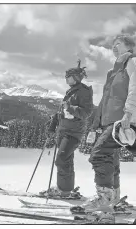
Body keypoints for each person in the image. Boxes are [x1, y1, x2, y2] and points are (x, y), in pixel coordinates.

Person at [82, 34, 136, 211]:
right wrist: (95, 126)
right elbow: (104, 101)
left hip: (124, 121)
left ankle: (104, 198)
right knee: (111, 159)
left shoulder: (135, 63)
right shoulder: (113, 72)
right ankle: (114, 197)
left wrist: (128, 114)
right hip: (108, 122)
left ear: (129, 46)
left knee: (99, 154)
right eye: (112, 45)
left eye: (118, 44)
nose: (114, 47)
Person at [41, 60, 94, 197]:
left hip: (73, 132)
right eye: (66, 77)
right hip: (64, 131)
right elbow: (62, 112)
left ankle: (63, 190)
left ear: (77, 77)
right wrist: (53, 125)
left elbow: (87, 112)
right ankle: (65, 189)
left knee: (61, 159)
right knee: (66, 160)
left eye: (69, 77)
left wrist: (69, 107)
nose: (66, 79)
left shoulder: (84, 92)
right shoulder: (70, 91)